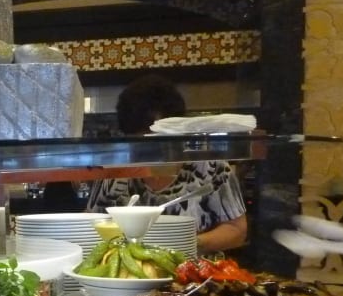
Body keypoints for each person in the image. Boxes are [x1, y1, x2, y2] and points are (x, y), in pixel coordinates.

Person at [86, 74, 248, 254]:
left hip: (195, 269)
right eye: (139, 140)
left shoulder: (211, 167)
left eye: (157, 137)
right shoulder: (115, 171)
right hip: (128, 267)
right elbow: (92, 223)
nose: (149, 148)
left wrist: (187, 244)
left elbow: (237, 230)